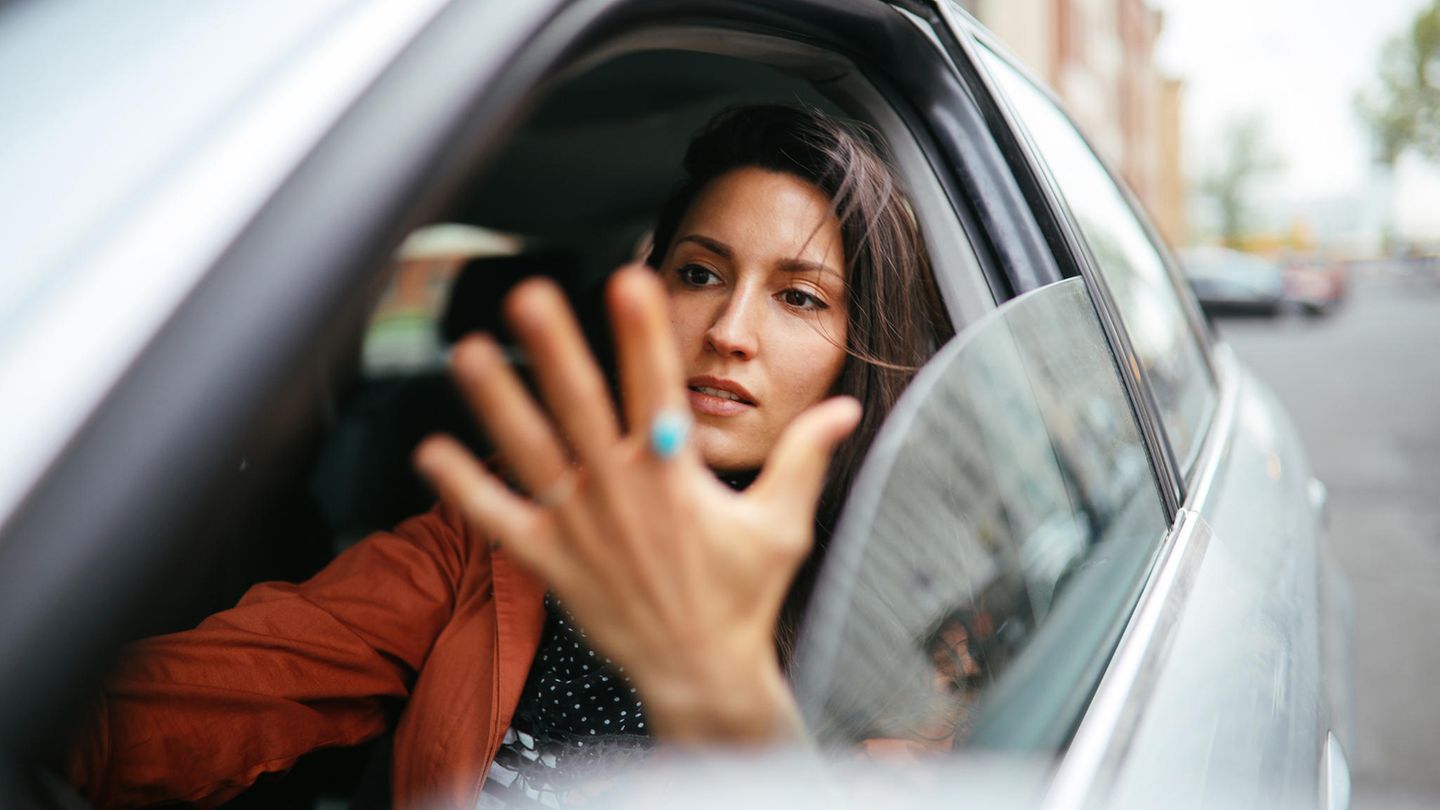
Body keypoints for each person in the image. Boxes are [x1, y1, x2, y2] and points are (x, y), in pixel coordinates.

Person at [65, 105, 950, 810]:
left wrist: (725, 700)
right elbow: (251, 679)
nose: (729, 332)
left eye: (799, 297)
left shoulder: (911, 630)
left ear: (859, 352)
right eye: (699, 273)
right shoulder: (512, 516)